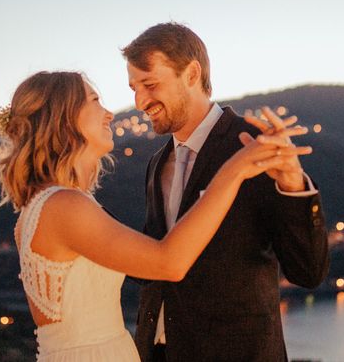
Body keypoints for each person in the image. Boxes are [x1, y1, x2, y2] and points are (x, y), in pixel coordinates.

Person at [0, 71, 311, 361]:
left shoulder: (47, 205)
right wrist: (235, 169)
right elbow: (167, 263)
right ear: (63, 117)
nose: (109, 113)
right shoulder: (64, 206)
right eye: (94, 101)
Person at [123, 22, 330, 362]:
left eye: (149, 84)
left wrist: (293, 186)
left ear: (191, 73)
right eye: (134, 88)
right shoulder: (157, 163)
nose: (140, 101)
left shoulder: (253, 144)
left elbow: (308, 273)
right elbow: (158, 260)